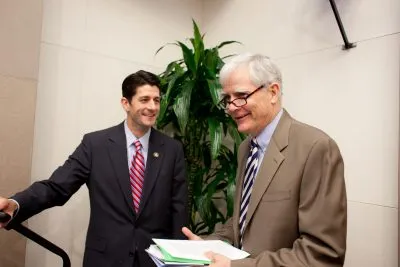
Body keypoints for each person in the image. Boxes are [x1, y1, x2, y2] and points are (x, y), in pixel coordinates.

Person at [0, 70, 188, 267]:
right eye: (144, 99)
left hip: (153, 261)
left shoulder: (172, 150)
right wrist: (16, 204)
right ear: (126, 103)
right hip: (105, 259)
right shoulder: (95, 145)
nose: (152, 107)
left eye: (157, 100)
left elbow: (178, 208)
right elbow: (56, 187)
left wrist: (179, 260)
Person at [182, 53, 347, 267]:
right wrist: (205, 246)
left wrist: (235, 266)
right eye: (227, 99)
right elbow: (243, 224)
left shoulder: (316, 148)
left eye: (241, 95)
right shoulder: (245, 149)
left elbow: (321, 255)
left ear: (273, 92)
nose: (231, 107)